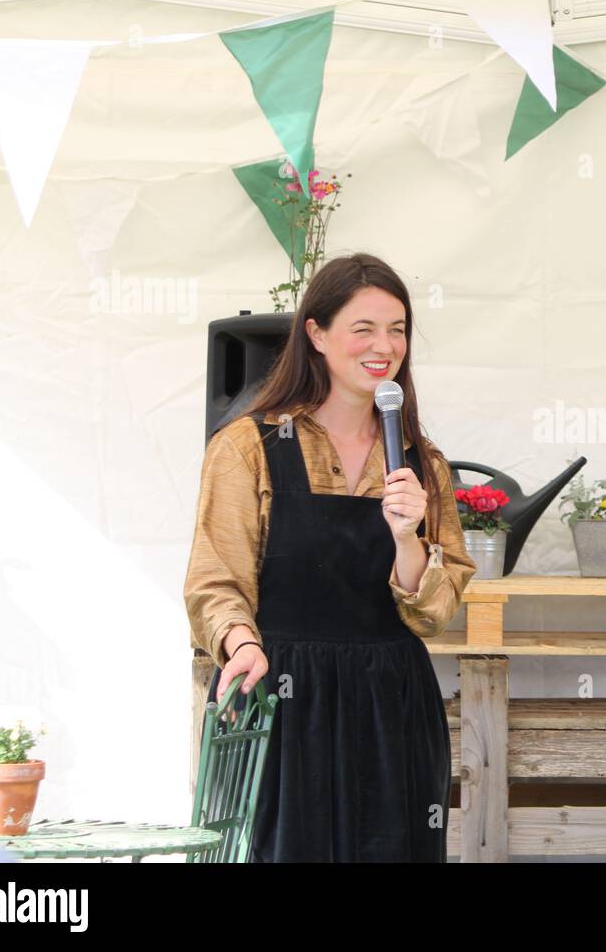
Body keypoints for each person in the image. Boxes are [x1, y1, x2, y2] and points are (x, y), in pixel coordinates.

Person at [183, 253, 476, 861]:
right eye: (363, 328)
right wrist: (242, 645)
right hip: (284, 697)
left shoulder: (425, 465)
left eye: (397, 329)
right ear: (315, 334)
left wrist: (406, 538)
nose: (384, 345)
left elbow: (433, 617)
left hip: (391, 701)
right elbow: (215, 579)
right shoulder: (247, 447)